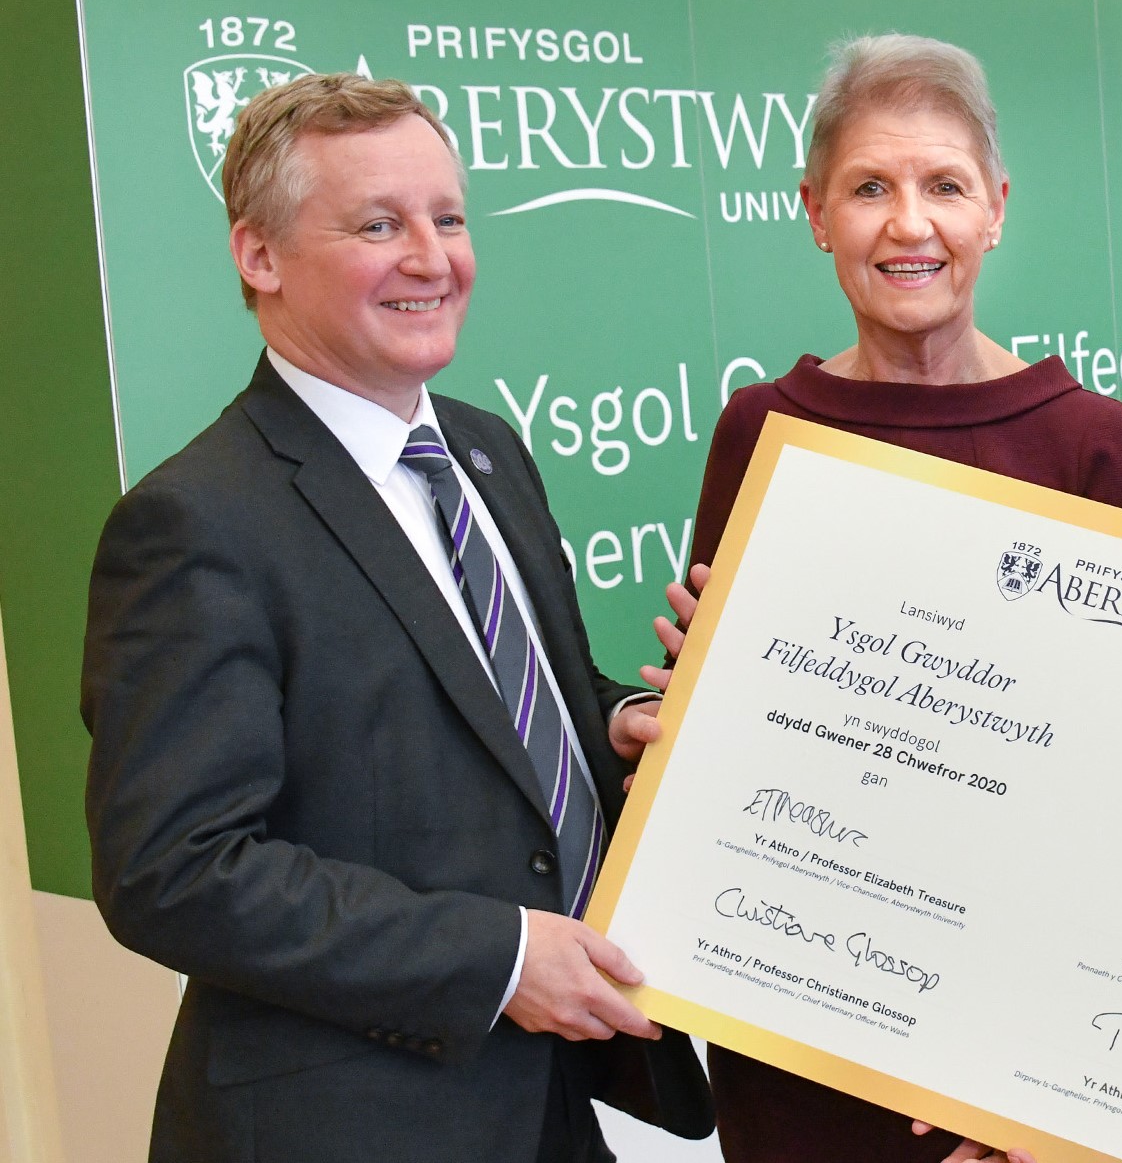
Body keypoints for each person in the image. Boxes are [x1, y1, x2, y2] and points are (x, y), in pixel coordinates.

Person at [80, 74, 713, 1162]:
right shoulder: (195, 522)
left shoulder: (485, 449)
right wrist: (499, 957)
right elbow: (173, 868)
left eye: (449, 218)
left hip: (550, 1103)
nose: (433, 257)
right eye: (380, 224)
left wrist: (613, 723)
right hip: (351, 1122)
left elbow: (505, 710)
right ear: (260, 256)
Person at [616, 33, 1122, 1163]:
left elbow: (1120, 791)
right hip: (799, 1028)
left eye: (944, 186)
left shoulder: (1091, 442)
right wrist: (682, 713)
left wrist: (1040, 1086)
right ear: (815, 212)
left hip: (1013, 1047)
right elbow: (733, 747)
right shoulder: (760, 430)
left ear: (996, 208)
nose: (910, 224)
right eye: (870, 188)